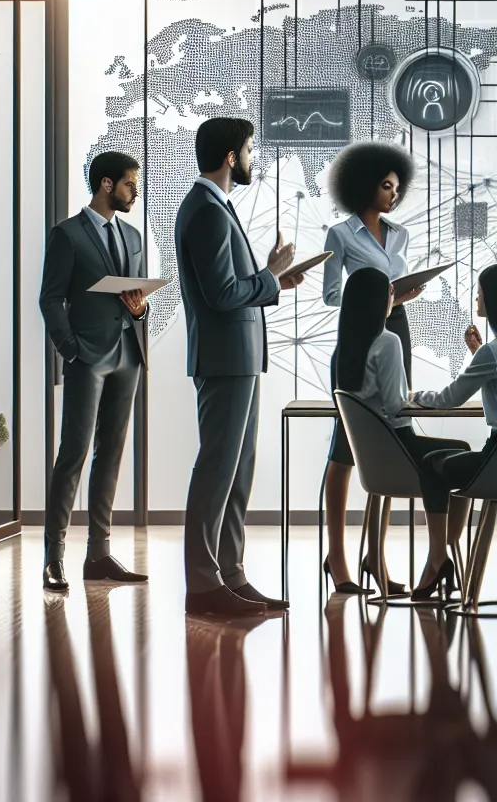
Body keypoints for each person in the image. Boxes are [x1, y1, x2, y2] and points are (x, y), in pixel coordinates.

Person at [174, 116, 305, 617]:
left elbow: (232, 286)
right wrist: (269, 274)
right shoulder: (205, 211)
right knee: (217, 470)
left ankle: (230, 575)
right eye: (249, 150)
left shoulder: (215, 207)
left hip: (239, 358)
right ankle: (203, 586)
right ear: (231, 157)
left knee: (237, 472)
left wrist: (273, 281)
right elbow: (223, 295)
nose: (252, 159)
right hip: (225, 359)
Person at [37, 150, 151, 592]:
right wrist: (71, 350)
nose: (134, 191)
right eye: (128, 184)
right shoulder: (66, 235)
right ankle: (53, 558)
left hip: (128, 355)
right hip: (87, 356)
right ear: (106, 185)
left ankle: (99, 554)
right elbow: (50, 298)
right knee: (74, 455)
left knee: (112, 454)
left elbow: (135, 298)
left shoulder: (134, 236)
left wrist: (140, 311)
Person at [320, 140, 423, 595]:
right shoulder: (340, 235)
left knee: (389, 439)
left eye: (397, 188)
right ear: (365, 186)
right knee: (346, 447)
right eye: (386, 187)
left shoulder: (399, 235)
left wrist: (399, 296)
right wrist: (369, 298)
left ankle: (374, 555)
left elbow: (399, 281)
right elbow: (328, 294)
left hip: (397, 330)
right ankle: (337, 555)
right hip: (357, 334)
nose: (394, 195)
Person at [333, 267, 470, 602]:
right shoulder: (388, 341)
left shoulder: (344, 349)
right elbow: (396, 405)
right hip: (398, 447)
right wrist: (416, 397)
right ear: (380, 301)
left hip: (372, 460)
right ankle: (444, 550)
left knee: (446, 457)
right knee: (460, 454)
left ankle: (439, 557)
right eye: (390, 294)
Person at [410, 263, 497, 569]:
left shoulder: (494, 353)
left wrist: (415, 396)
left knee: (432, 466)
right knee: (456, 461)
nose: (476, 299)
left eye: (480, 293)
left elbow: (450, 398)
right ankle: (447, 550)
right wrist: (478, 352)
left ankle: (439, 559)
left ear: (494, 299)